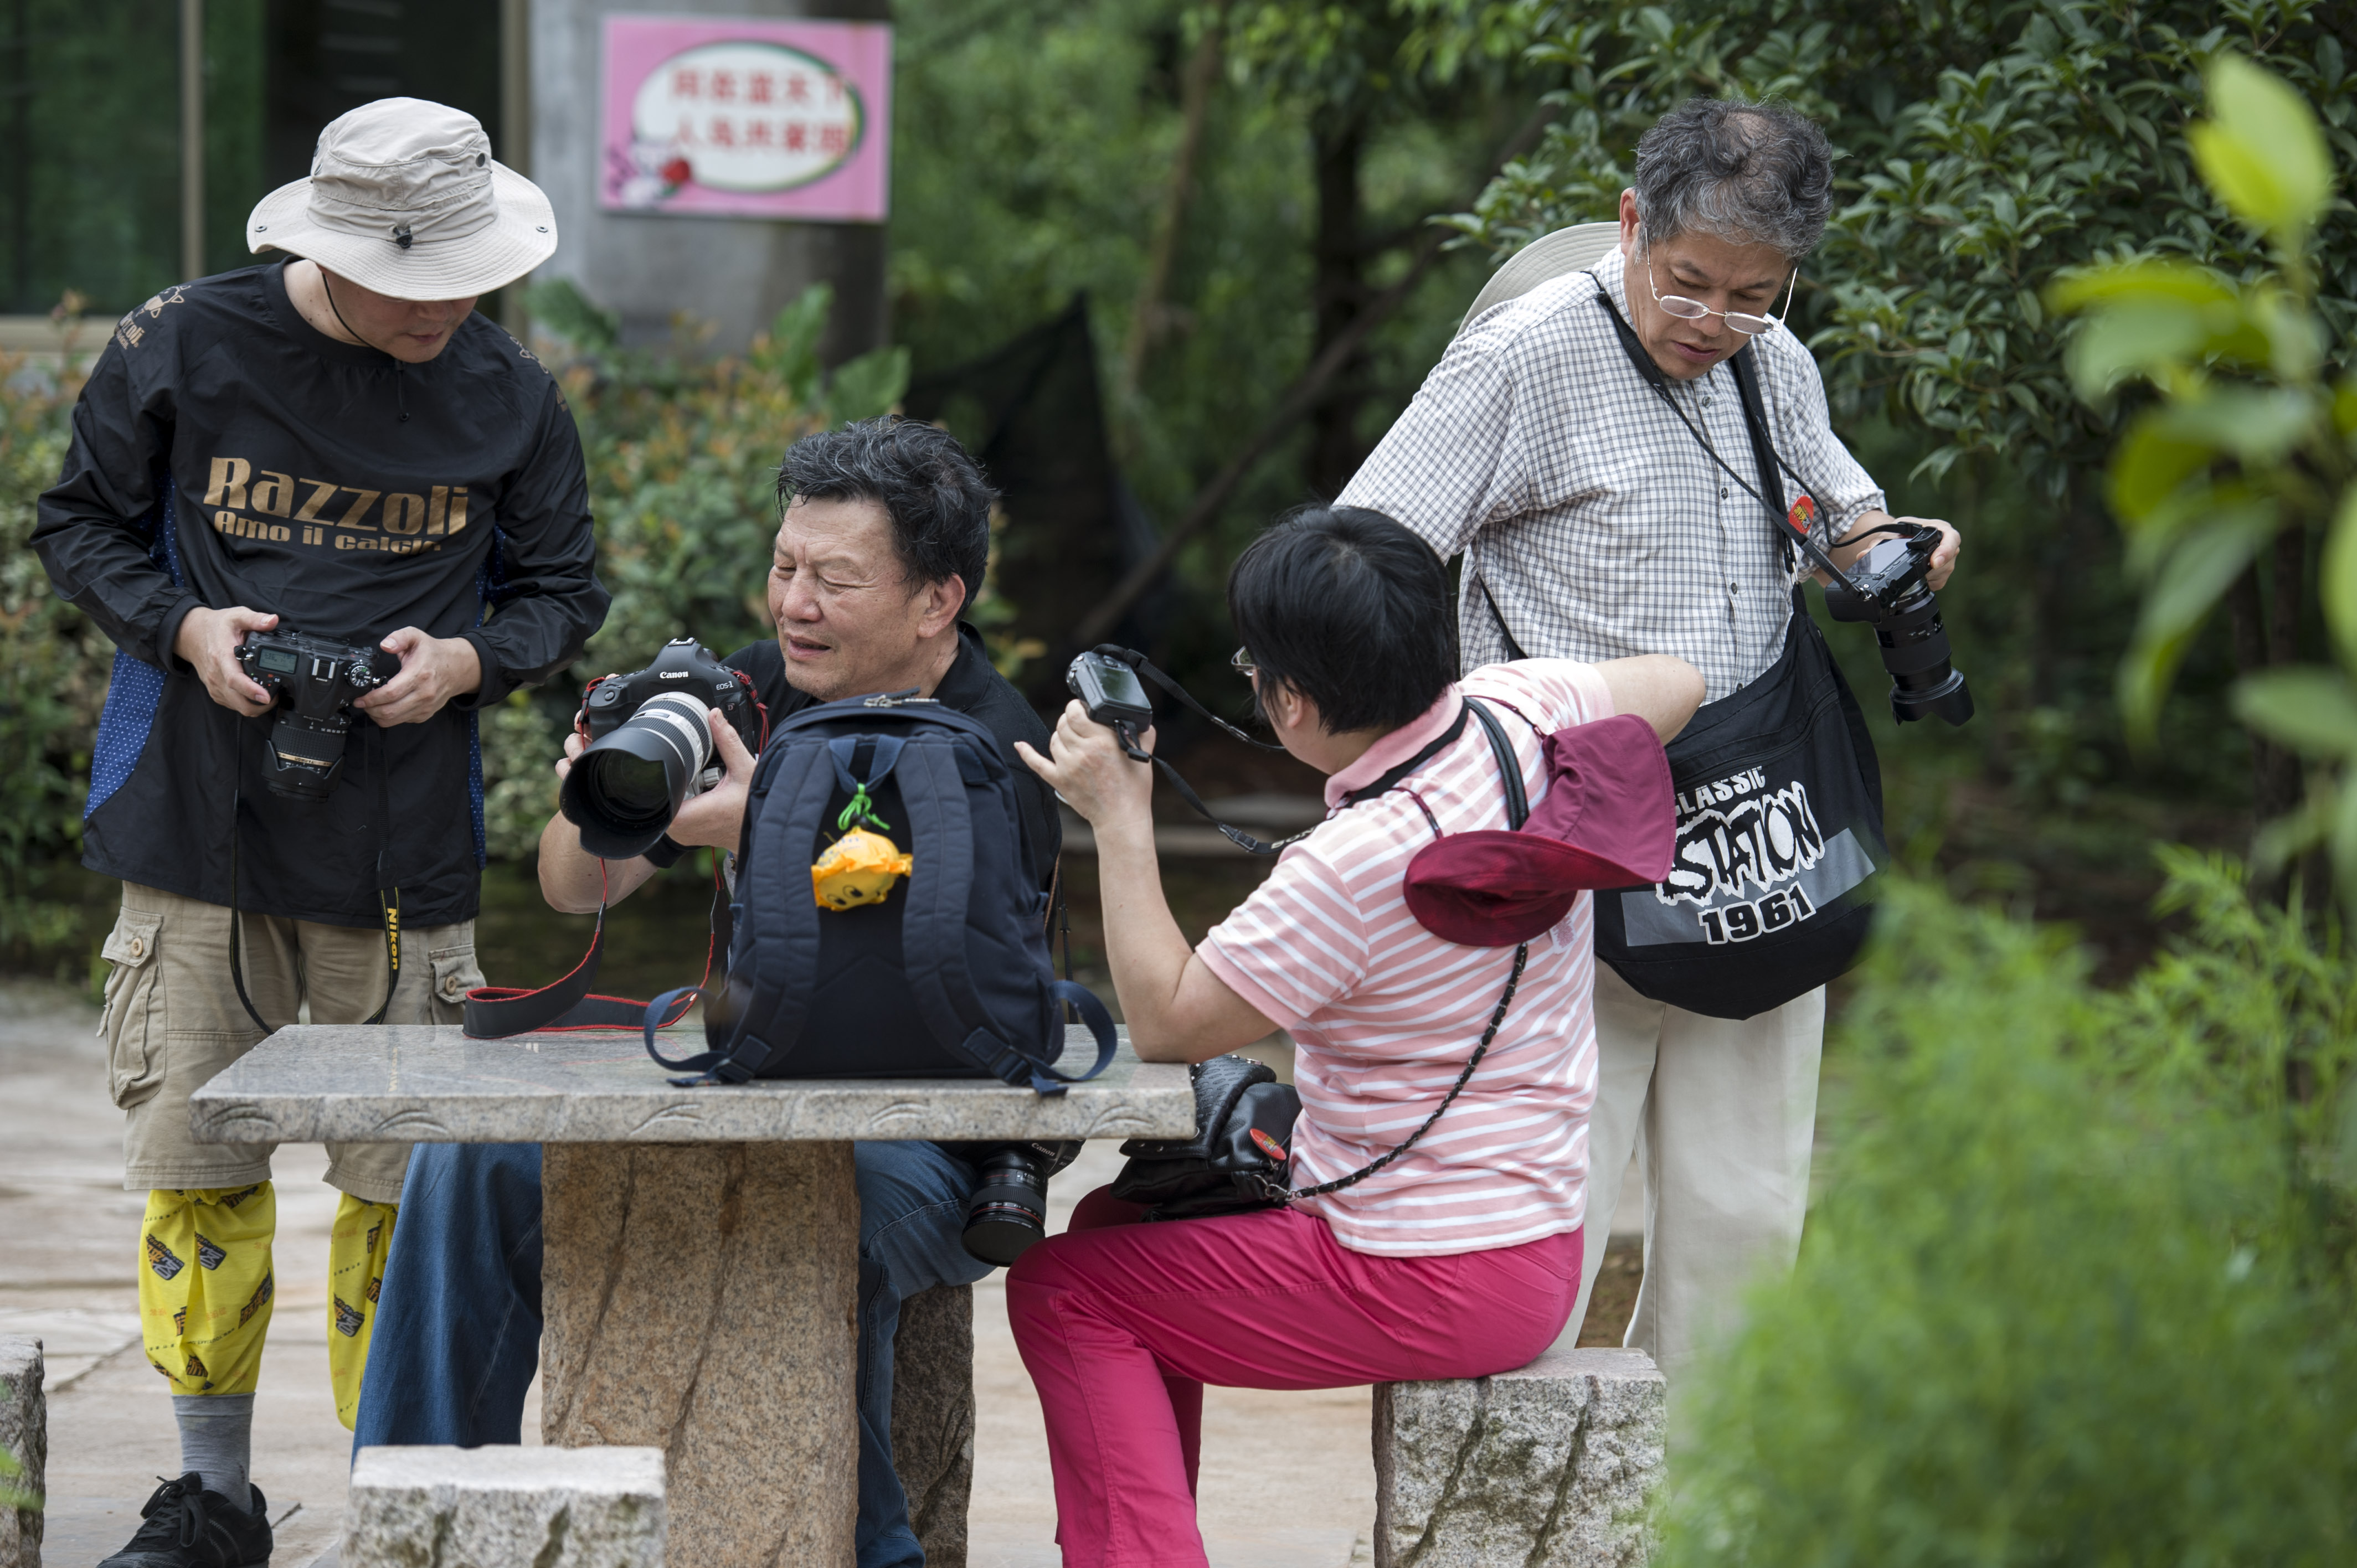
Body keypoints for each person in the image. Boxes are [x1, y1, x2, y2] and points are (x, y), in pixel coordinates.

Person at [32, 98, 605, 1567]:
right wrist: (181, 625)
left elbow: (562, 593)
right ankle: (210, 1498)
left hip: (406, 855)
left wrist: (470, 664)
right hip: (196, 827)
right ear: (329, 247)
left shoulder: (512, 394)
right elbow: (78, 523)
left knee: (399, 1192)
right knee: (196, 1167)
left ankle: (389, 1496)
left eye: (466, 277)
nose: (443, 308)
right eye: (411, 283)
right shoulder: (184, 341)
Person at [353, 417, 1061, 1568]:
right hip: (739, 1086)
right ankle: (425, 1524)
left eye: (836, 579)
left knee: (788, 1210)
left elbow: (934, 981)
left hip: (934, 1146)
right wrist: (600, 797)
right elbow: (578, 889)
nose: (796, 606)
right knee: (469, 1150)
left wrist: (781, 830)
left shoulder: (991, 748)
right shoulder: (753, 688)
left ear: (938, 600)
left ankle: (869, 1548)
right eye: (786, 567)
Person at [1333, 97, 1965, 1382]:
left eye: (1753, 294)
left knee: (1746, 1218)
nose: (1712, 321)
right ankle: (1510, 1510)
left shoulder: (1772, 361)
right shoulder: (1521, 358)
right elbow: (1365, 556)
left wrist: (1891, 551)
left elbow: (1837, 509)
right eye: (1688, 284)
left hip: (1756, 835)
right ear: (1631, 224)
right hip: (1567, 845)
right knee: (1540, 1220)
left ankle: (1699, 1510)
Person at [1008, 506, 1701, 1567]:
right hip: (1537, 1241)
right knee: (1114, 1224)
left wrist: (1118, 815)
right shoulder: (1523, 710)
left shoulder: (1346, 871)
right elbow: (1678, 684)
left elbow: (1166, 1018)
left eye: (1254, 668)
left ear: (1291, 700)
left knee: (1061, 1292)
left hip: (1416, 1268)